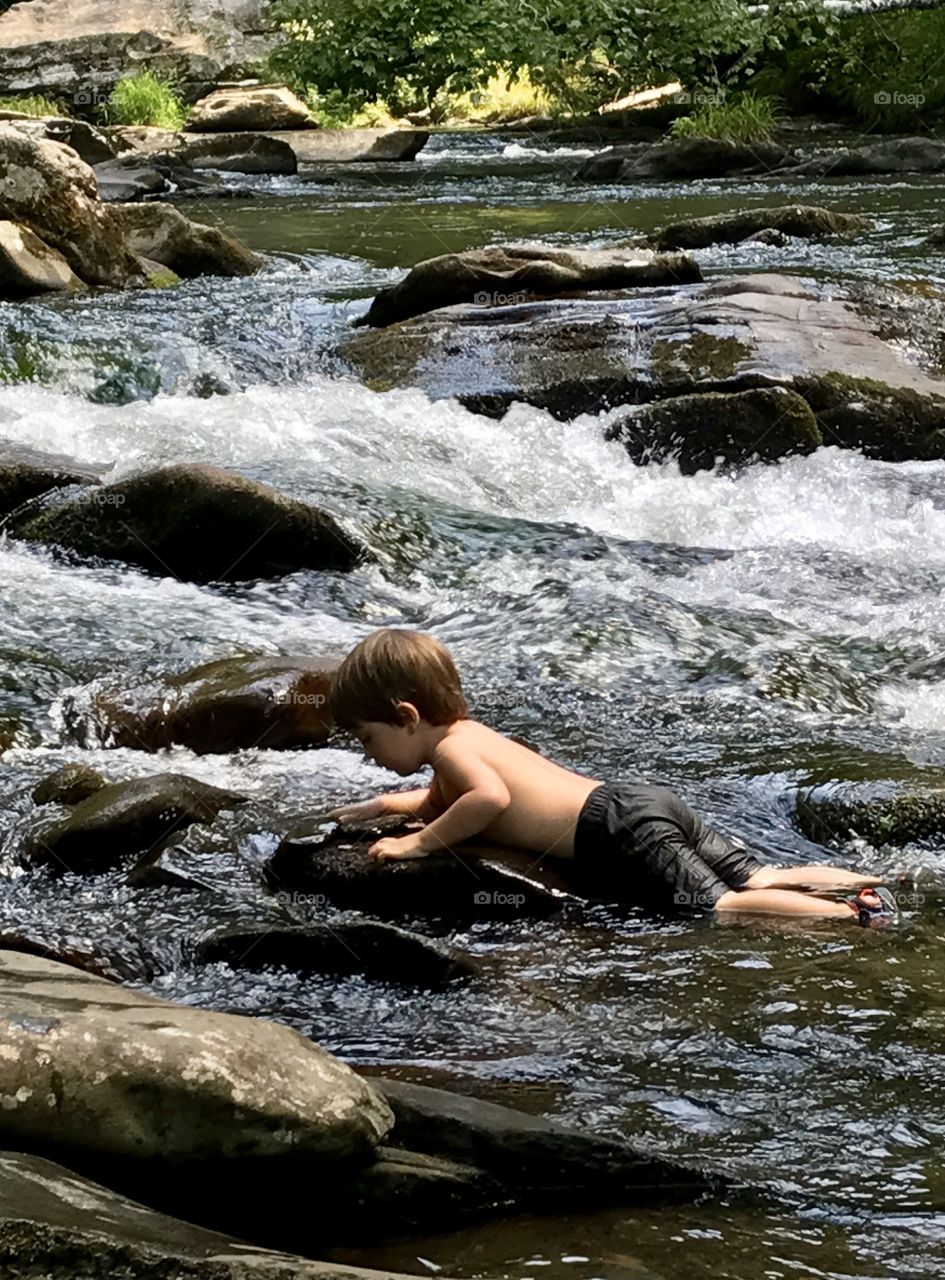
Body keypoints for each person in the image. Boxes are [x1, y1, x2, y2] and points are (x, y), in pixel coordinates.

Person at [328, 628, 892, 925]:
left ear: (405, 717)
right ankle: (869, 882)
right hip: (637, 802)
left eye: (367, 738)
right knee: (760, 875)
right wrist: (382, 807)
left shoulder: (453, 753)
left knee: (719, 906)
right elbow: (439, 800)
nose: (367, 752)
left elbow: (487, 799)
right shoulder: (469, 736)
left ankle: (850, 915)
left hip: (614, 829)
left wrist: (418, 846)